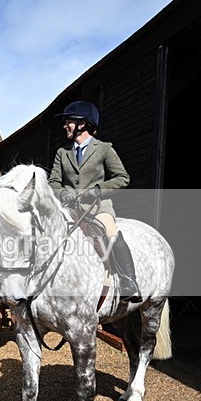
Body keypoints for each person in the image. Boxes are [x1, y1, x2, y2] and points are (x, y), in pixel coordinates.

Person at [48, 101, 142, 303]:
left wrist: (98, 190)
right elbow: (53, 181)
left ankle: (129, 282)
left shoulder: (105, 149)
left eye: (68, 121)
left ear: (82, 124)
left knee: (111, 231)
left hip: (98, 208)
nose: (65, 125)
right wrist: (63, 192)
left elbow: (122, 177)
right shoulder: (62, 153)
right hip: (69, 208)